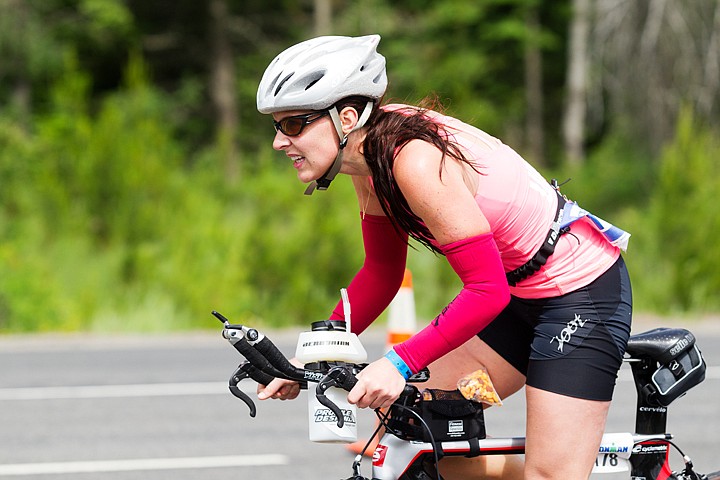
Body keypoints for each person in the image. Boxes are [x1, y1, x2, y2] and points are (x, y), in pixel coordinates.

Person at [254, 34, 633, 480]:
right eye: (276, 126)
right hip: (515, 299)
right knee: (414, 434)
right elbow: (381, 273)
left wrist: (399, 362)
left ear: (347, 117)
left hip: (579, 297)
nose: (280, 141)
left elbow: (485, 290)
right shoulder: (366, 157)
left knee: (549, 475)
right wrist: (314, 354)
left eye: (294, 124)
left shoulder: (412, 160)